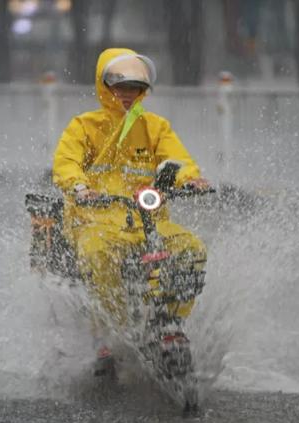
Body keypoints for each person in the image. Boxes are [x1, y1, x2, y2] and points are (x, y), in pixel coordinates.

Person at [52, 48, 210, 371]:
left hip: (148, 222)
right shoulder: (84, 126)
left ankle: (168, 325)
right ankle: (110, 331)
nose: (127, 95)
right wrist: (81, 188)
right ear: (104, 86)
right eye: (120, 87)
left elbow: (177, 161)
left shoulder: (155, 127)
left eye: (134, 89)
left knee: (192, 250)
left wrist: (191, 180)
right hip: (95, 221)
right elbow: (66, 164)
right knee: (98, 254)